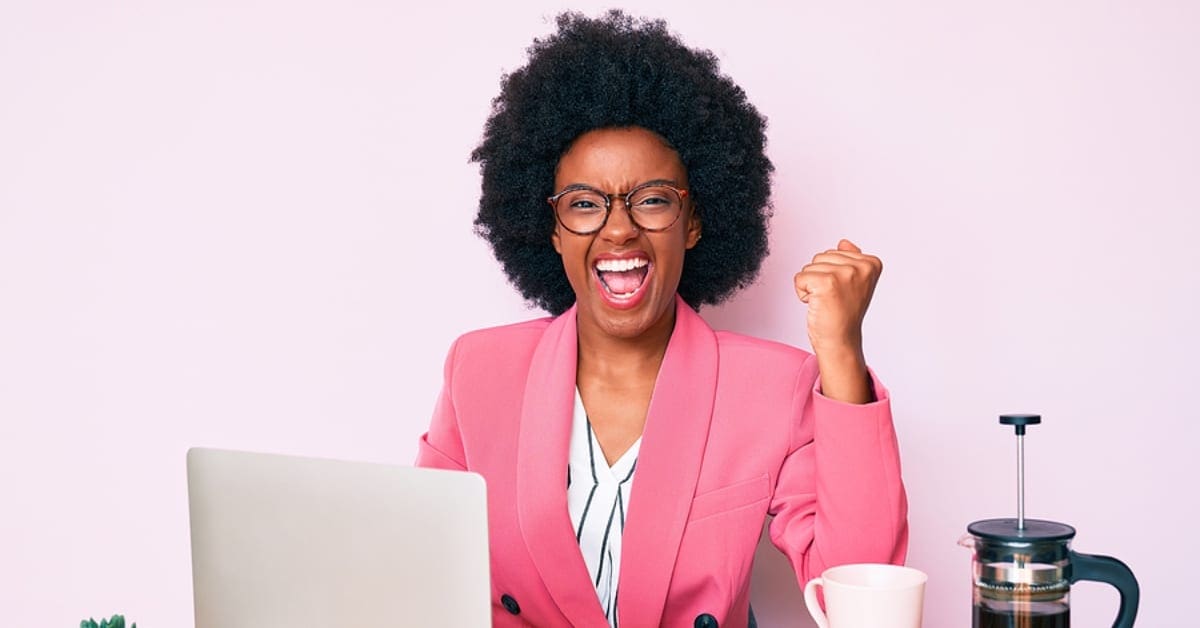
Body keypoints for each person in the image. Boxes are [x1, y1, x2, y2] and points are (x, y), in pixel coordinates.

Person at [416, 11, 907, 628]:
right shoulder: (479, 371)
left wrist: (840, 352)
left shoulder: (773, 386)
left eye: (651, 199)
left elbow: (866, 601)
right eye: (585, 204)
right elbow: (426, 574)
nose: (619, 228)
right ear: (553, 231)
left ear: (694, 221)